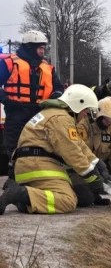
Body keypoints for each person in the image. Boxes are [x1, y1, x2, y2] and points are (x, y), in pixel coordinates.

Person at [0, 84, 109, 216]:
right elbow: (71, 151)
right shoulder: (61, 119)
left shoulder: (54, 115)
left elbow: (78, 144)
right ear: (77, 105)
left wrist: (96, 162)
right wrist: (90, 176)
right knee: (67, 200)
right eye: (85, 110)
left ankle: (26, 199)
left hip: (30, 165)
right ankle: (19, 193)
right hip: (39, 166)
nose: (85, 115)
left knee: (80, 195)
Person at [0, 30, 64, 174]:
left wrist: (55, 96)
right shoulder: (10, 62)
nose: (43, 51)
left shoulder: (47, 67)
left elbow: (58, 87)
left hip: (39, 114)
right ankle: (14, 181)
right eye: (40, 48)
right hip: (16, 112)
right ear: (30, 47)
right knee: (14, 150)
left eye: (43, 48)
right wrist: (6, 100)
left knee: (39, 149)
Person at [71, 96, 111, 206]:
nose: (109, 123)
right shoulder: (83, 126)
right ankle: (91, 194)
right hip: (82, 169)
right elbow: (80, 152)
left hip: (99, 169)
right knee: (85, 199)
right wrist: (99, 170)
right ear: (98, 114)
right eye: (107, 119)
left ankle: (94, 192)